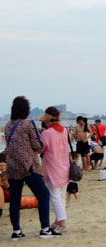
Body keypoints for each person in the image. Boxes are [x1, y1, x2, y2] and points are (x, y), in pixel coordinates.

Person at [5, 96, 61, 239]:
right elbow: (37, 145)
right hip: (28, 166)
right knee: (43, 195)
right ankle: (45, 229)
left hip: (12, 167)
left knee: (15, 200)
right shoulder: (28, 123)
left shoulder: (7, 125)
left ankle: (16, 232)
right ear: (26, 110)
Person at [38, 107, 70, 233]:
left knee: (55, 196)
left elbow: (40, 149)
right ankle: (58, 221)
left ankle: (62, 222)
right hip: (64, 166)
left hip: (53, 167)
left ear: (47, 120)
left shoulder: (46, 133)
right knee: (60, 196)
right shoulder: (65, 130)